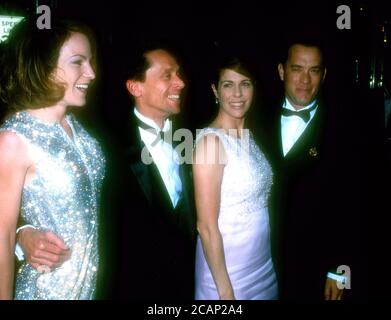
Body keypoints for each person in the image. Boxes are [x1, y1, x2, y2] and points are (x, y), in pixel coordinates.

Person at [0, 15, 105, 300]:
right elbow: (2, 237)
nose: (91, 73)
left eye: (90, 61)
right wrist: (23, 234)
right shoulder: (13, 139)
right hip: (44, 292)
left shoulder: (81, 129)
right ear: (44, 67)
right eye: (78, 62)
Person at [258, 40, 352, 300]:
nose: (305, 80)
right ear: (281, 71)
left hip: (315, 265)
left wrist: (339, 270)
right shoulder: (254, 119)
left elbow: (356, 205)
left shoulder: (346, 130)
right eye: (297, 68)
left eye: (314, 71)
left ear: (324, 75)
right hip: (258, 262)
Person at [193, 56, 278, 300]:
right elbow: (206, 227)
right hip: (228, 276)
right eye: (228, 85)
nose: (238, 93)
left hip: (263, 266)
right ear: (215, 90)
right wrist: (225, 292)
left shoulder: (251, 137)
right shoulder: (211, 143)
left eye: (245, 84)